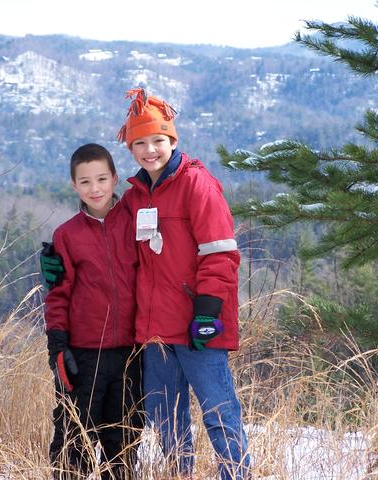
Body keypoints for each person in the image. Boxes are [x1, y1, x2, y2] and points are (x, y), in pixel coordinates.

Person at [117, 87, 250, 480]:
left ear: (172, 139)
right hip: (155, 333)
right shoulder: (134, 197)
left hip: (197, 328)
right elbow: (108, 237)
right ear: (130, 147)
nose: (150, 150)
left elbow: (221, 253)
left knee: (219, 414)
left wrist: (207, 312)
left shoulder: (196, 184)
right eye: (139, 143)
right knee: (168, 426)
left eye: (158, 140)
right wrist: (64, 250)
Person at [43, 143, 143, 480]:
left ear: (115, 179)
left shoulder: (134, 222)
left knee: (124, 438)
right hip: (85, 355)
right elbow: (57, 296)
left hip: (131, 353)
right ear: (74, 185)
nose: (95, 188)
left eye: (102, 179)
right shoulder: (66, 235)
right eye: (85, 182)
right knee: (75, 437)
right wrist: (57, 344)